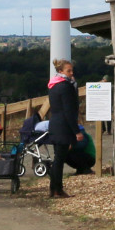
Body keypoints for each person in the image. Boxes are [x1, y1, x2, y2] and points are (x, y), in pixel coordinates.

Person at [43, 58, 82, 199]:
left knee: (58, 159)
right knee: (59, 160)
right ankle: (57, 189)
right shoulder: (66, 86)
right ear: (61, 71)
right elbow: (69, 111)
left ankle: (54, 189)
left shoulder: (53, 85)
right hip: (63, 126)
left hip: (55, 124)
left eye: (72, 70)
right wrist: (76, 131)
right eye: (68, 71)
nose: (72, 73)